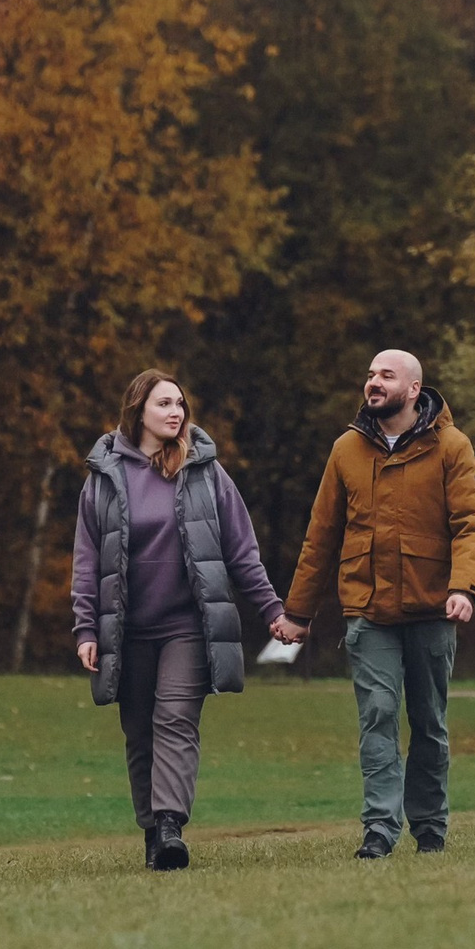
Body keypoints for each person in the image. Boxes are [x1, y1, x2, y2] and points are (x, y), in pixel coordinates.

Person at [72, 370, 297, 872]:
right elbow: (88, 560)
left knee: (175, 720)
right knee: (139, 731)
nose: (175, 412)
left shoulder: (205, 472)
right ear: (139, 411)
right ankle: (152, 832)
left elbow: (242, 552)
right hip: (127, 630)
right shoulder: (104, 476)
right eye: (163, 404)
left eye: (179, 404)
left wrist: (273, 611)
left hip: (187, 627)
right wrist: (85, 629)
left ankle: (171, 825)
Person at [280, 348, 475, 861]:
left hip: (432, 611)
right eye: (371, 374)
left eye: (386, 376)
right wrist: (297, 612)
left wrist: (463, 588)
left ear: (414, 389)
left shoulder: (452, 447)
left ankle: (430, 828)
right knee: (377, 713)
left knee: (429, 722)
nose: (373, 382)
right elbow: (321, 536)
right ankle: (379, 828)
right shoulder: (346, 450)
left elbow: (474, 523)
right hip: (368, 611)